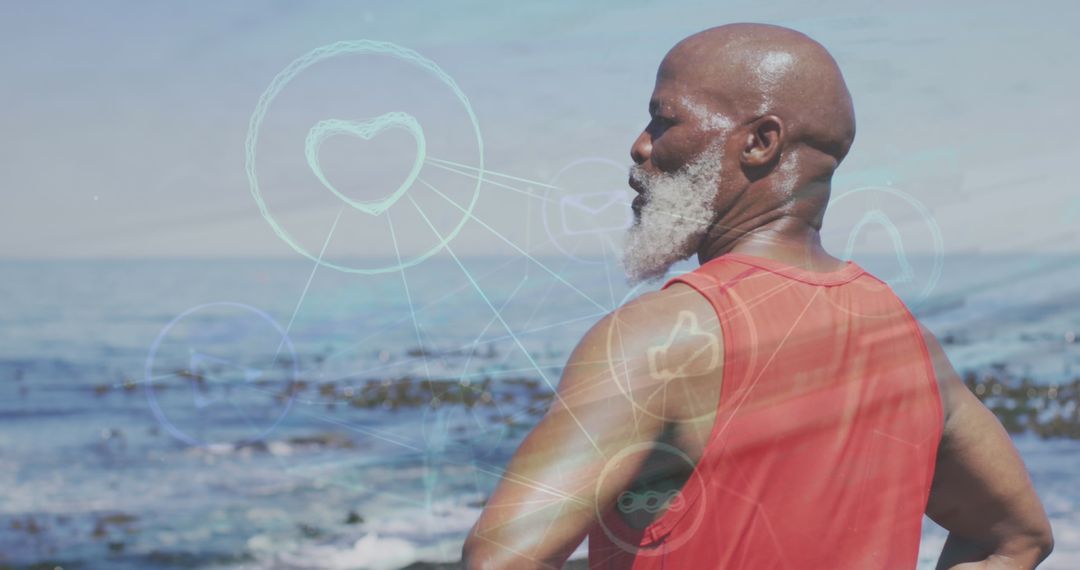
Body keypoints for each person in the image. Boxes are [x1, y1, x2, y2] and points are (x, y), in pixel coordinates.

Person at [462, 23, 1053, 569]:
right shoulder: (910, 344)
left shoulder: (659, 337)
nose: (640, 147)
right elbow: (1015, 537)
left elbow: (500, 560)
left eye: (664, 121)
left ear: (760, 143)